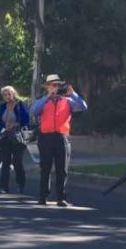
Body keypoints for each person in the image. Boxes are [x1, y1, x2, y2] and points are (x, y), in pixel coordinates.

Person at [30, 74, 88, 206]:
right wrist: (47, 97)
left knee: (62, 168)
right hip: (46, 137)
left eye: (57, 85)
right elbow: (34, 111)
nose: (55, 88)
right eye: (53, 85)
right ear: (48, 87)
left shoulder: (67, 101)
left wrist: (73, 94)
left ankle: (61, 197)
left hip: (62, 137)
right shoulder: (42, 100)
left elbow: (83, 107)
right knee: (45, 167)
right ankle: (43, 196)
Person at [0, 85, 30, 194]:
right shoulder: (2, 106)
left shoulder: (20, 105)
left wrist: (14, 124)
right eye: (5, 94)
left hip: (18, 137)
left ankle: (21, 183)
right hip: (6, 137)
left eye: (9, 94)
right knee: (5, 161)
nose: (7, 96)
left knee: (17, 161)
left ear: (13, 94)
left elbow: (26, 121)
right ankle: (3, 187)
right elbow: (1, 122)